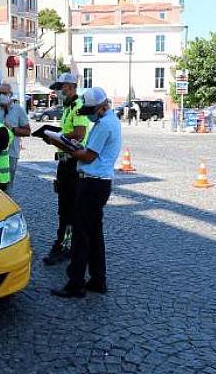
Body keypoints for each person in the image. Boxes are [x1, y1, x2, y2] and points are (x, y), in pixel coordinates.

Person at [48, 87, 122, 298]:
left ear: (101, 107)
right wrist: (73, 145)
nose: (88, 113)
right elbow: (90, 152)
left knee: (81, 234)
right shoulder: (110, 121)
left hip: (91, 183)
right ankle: (98, 279)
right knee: (94, 233)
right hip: (99, 183)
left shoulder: (104, 125)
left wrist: (61, 144)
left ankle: (76, 283)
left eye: (90, 109)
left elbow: (88, 157)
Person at [43, 73, 92, 266]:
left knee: (69, 208)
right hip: (65, 162)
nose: (59, 91)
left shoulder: (78, 107)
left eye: (61, 87)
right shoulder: (68, 107)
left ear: (70, 87)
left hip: (73, 163)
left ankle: (65, 246)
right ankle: (66, 244)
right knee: (64, 207)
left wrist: (57, 137)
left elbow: (79, 134)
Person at [0, 83, 31, 191]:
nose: (1, 96)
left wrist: (13, 129)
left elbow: (27, 131)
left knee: (7, 185)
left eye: (4, 93)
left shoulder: (18, 110)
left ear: (10, 95)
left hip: (11, 153)